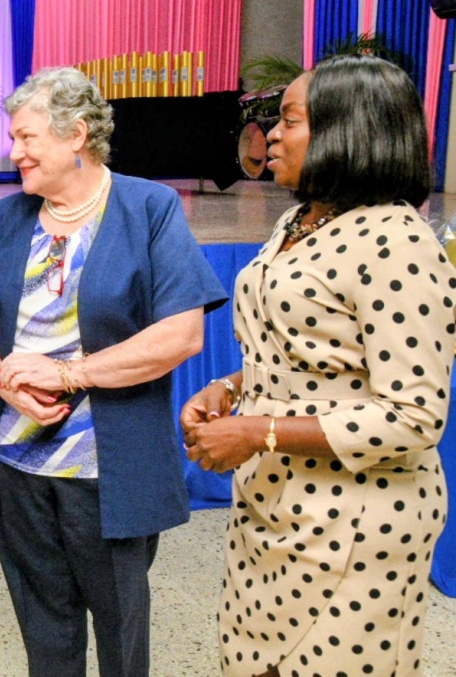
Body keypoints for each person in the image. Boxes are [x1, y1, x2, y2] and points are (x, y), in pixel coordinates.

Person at [181, 55, 456, 677]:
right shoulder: (297, 221)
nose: (270, 136)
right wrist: (231, 389)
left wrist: (256, 432)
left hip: (359, 523)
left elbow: (414, 418)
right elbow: (303, 353)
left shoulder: (397, 240)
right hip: (275, 506)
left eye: (289, 121)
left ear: (347, 131)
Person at [0, 67, 228, 677]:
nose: (14, 151)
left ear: (76, 134)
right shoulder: (8, 218)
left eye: (27, 138)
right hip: (17, 465)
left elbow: (182, 335)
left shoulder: (147, 207)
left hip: (108, 470)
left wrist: (67, 375)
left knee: (119, 630)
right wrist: (2, 379)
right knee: (44, 631)